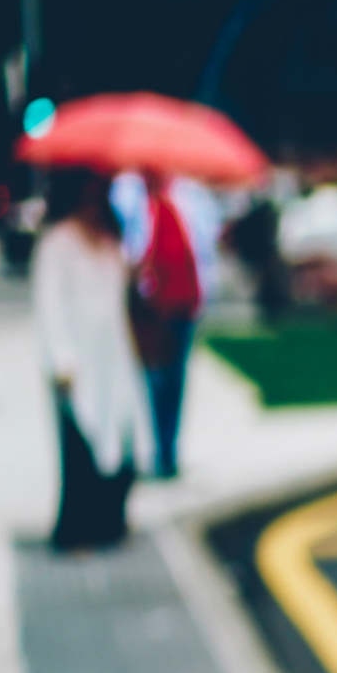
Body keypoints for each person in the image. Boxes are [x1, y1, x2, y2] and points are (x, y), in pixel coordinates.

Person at [33, 170, 153, 552]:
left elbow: (122, 298)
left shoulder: (110, 240)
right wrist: (61, 358)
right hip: (78, 360)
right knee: (80, 442)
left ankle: (109, 521)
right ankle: (76, 530)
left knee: (122, 438)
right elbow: (49, 305)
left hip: (115, 357)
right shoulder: (58, 243)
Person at [113, 168, 220, 478]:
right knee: (156, 378)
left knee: (177, 378)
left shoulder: (189, 196)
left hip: (185, 301)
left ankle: (170, 449)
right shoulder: (130, 196)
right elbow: (128, 244)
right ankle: (160, 448)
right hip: (152, 306)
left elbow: (203, 244)